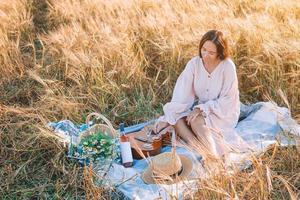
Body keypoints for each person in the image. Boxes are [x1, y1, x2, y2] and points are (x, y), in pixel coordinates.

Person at [155, 30, 247, 164]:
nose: (205, 55)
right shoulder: (194, 64)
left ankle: (212, 156)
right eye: (203, 50)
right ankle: (197, 147)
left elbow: (228, 100)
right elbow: (182, 95)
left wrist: (202, 109)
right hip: (203, 110)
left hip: (223, 111)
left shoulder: (227, 66)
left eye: (211, 53)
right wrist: (171, 115)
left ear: (220, 53)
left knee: (195, 121)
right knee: (177, 119)